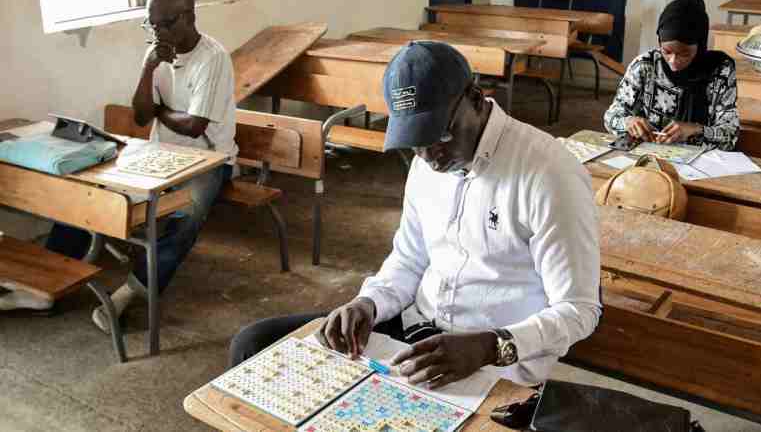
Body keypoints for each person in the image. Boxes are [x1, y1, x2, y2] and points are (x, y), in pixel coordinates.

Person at [230, 41, 601, 388]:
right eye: (415, 140)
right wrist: (369, 303)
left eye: (440, 135)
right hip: (416, 331)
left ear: (475, 99)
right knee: (252, 344)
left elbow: (578, 309)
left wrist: (490, 345)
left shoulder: (550, 174)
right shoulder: (428, 163)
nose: (427, 156)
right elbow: (409, 259)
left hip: (495, 360)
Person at [41, 0, 237, 331]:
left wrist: (162, 112)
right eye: (151, 24)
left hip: (211, 161)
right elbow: (142, 115)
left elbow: (194, 126)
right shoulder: (157, 54)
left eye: (164, 23)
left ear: (189, 17)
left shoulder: (214, 58)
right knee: (87, 189)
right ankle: (46, 278)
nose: (157, 32)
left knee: (186, 217)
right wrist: (148, 68)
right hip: (160, 153)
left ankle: (131, 292)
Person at [604, 0, 740, 151]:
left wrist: (696, 129)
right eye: (666, 51)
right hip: (649, 158)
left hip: (702, 164)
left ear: (700, 45)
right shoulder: (645, 66)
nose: (674, 61)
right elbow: (610, 117)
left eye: (685, 53)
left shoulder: (720, 72)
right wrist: (629, 122)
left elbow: (731, 135)